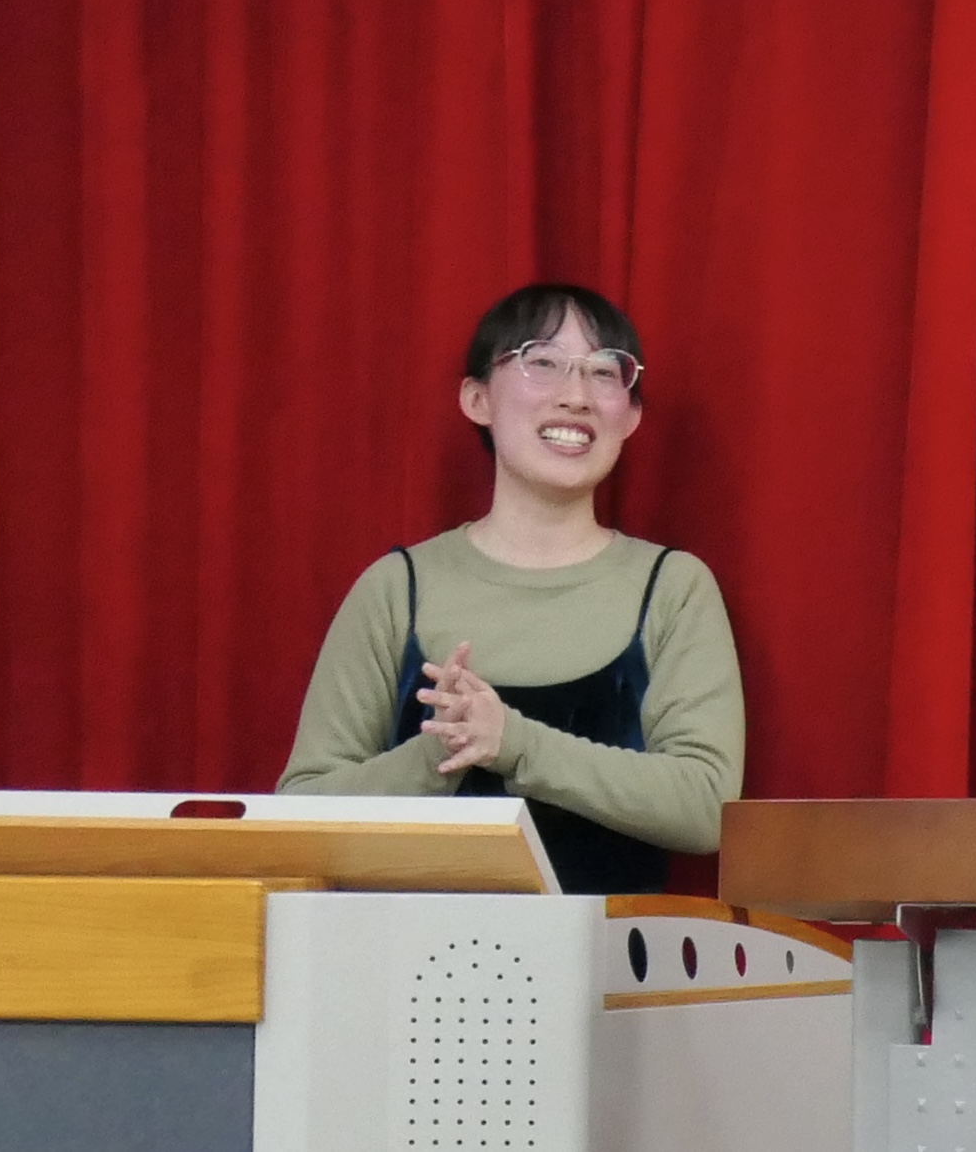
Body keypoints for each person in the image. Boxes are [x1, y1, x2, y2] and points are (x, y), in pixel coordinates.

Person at [279, 283, 745, 894]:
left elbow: (707, 807)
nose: (576, 395)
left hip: (606, 951)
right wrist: (440, 750)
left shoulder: (673, 587)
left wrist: (514, 743)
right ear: (477, 399)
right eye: (542, 361)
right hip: (401, 948)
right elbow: (300, 810)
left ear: (630, 416)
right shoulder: (397, 587)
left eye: (605, 371)